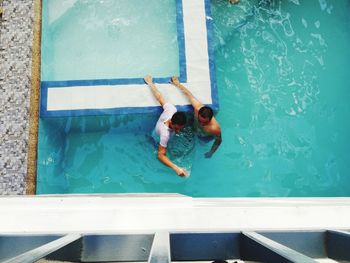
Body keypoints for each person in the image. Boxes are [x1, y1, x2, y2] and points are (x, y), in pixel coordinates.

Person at [144, 75, 188, 177]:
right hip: (157, 140)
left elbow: (159, 97)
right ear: (172, 123)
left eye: (180, 128)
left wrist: (151, 83)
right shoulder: (165, 135)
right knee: (165, 155)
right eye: (177, 128)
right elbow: (160, 155)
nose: (179, 130)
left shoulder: (171, 110)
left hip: (160, 133)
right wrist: (176, 168)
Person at [171, 76, 222, 158]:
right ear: (198, 114)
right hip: (193, 128)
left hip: (204, 136)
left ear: (210, 119)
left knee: (199, 145)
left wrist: (211, 152)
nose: (201, 123)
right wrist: (177, 83)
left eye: (205, 122)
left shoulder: (215, 129)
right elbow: (188, 94)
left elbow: (218, 141)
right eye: (200, 120)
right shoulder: (197, 108)